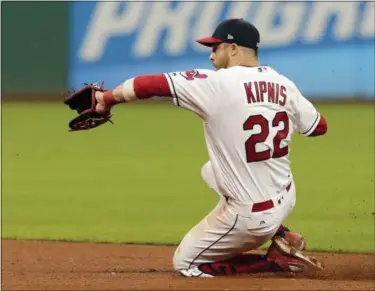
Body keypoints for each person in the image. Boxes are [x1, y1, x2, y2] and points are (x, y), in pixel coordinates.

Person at [94, 18, 328, 277]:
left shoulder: (216, 83)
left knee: (184, 264)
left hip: (249, 217)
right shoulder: (284, 83)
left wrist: (104, 99)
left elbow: (148, 85)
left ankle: (275, 261)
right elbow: (319, 127)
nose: (211, 55)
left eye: (215, 47)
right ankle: (282, 232)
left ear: (233, 48)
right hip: (285, 197)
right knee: (210, 169)